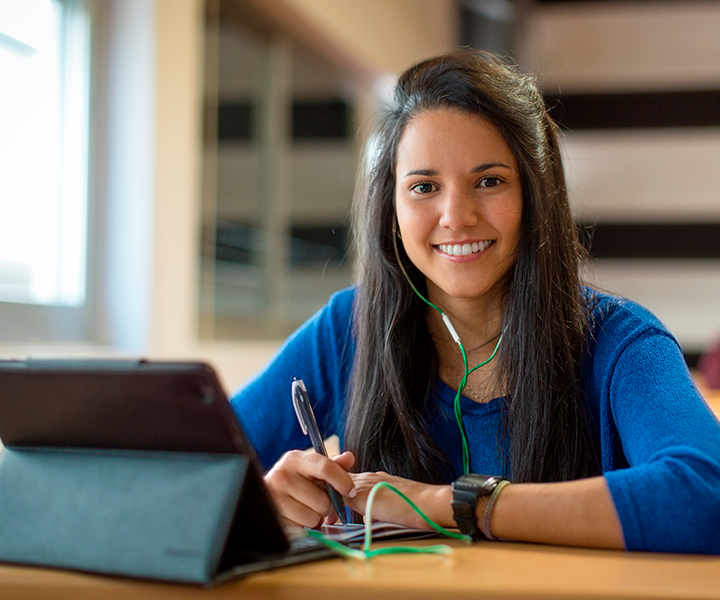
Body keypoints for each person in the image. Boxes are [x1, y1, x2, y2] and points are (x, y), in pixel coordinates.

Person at [231, 49, 720, 553]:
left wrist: (450, 504)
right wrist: (261, 500)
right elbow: (185, 467)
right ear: (391, 208)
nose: (456, 216)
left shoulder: (619, 342)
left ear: (537, 194)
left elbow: (708, 494)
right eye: (423, 187)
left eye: (489, 181)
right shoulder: (348, 327)